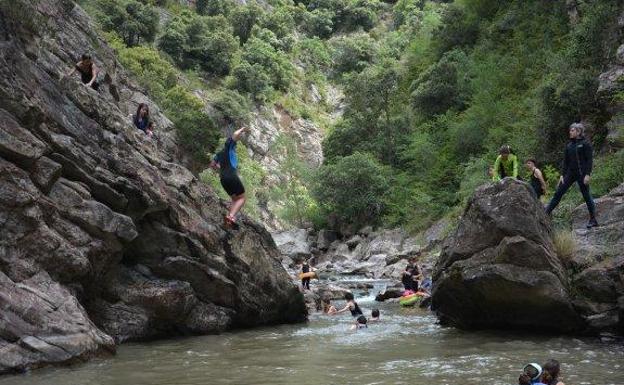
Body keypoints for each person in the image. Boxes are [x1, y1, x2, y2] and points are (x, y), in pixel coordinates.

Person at [545, 123, 598, 228]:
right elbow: (565, 162)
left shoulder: (585, 144)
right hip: (570, 174)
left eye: (572, 130)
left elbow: (589, 161)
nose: (570, 132)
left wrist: (587, 174)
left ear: (578, 132)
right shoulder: (569, 146)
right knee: (558, 193)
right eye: (570, 130)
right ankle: (546, 213)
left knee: (586, 196)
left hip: (582, 174)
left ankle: (593, 220)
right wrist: (562, 175)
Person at [210, 125, 249, 228]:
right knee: (242, 198)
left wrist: (221, 169)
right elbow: (235, 134)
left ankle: (228, 220)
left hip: (223, 179)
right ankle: (231, 216)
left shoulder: (218, 154)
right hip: (231, 175)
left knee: (234, 199)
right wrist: (242, 129)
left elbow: (212, 165)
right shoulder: (229, 147)